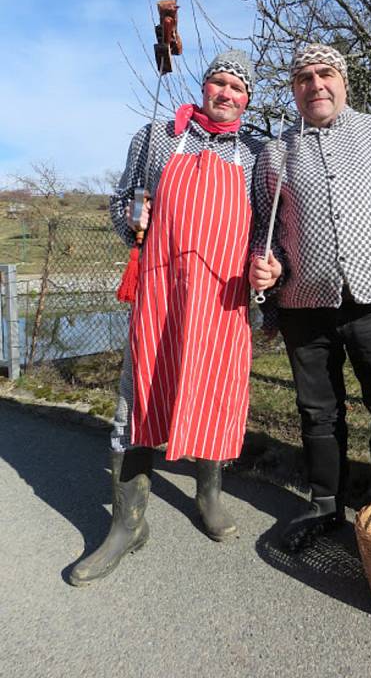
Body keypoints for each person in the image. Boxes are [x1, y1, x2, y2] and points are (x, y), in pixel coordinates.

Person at [69, 50, 261, 586]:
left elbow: (268, 231)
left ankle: (209, 495)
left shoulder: (256, 155)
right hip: (159, 294)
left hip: (223, 303)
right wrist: (132, 215)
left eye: (236, 87)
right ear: (204, 87)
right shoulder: (156, 136)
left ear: (246, 99)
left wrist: (271, 266)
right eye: (217, 82)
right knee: (139, 400)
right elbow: (119, 205)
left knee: (209, 394)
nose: (225, 92)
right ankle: (126, 526)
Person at [249, 43, 371, 552]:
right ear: (293, 90)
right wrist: (269, 268)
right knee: (318, 411)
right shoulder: (275, 153)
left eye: (325, 74)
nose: (316, 85)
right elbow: (264, 233)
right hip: (304, 309)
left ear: (344, 81)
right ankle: (325, 507)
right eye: (304, 78)